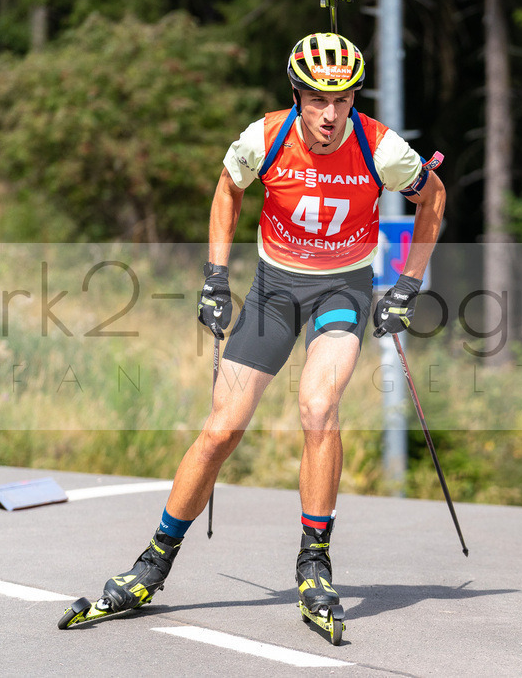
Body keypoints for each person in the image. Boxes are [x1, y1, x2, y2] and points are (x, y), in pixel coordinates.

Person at [97, 32, 445, 627]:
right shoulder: (265, 137)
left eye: (342, 100)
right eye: (317, 101)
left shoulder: (382, 148)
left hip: (342, 288)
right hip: (275, 289)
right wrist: (214, 275)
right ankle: (152, 564)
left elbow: (433, 197)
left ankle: (314, 563)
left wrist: (409, 284)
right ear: (297, 96)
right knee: (222, 429)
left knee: (317, 407)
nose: (331, 115)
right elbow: (228, 189)